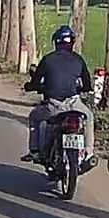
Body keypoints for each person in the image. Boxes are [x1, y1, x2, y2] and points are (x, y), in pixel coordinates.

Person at [22, 25, 94, 163]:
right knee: (89, 116)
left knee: (34, 117)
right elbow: (87, 84)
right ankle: (89, 153)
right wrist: (81, 89)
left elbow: (35, 82)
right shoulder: (78, 59)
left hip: (53, 105)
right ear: (72, 42)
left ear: (56, 42)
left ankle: (34, 151)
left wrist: (32, 87)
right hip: (74, 104)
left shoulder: (47, 59)